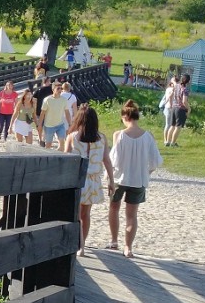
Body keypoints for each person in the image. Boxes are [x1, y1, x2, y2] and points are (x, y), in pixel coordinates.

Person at [107, 100, 163, 258]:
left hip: (119, 178)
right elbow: (155, 161)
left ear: (125, 117)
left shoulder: (119, 135)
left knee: (114, 209)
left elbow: (114, 160)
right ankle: (128, 247)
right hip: (139, 180)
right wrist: (147, 172)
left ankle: (113, 240)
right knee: (132, 215)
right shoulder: (148, 136)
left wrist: (109, 177)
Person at [64, 105, 113, 256]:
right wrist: (111, 180)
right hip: (93, 181)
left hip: (77, 180)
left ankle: (80, 245)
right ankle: (82, 244)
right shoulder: (101, 138)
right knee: (86, 214)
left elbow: (65, 158)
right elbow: (107, 161)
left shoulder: (72, 137)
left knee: (76, 215)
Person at [38, 82, 71, 151]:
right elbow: (42, 113)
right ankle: (47, 158)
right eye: (58, 88)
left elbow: (67, 112)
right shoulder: (47, 100)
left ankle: (57, 156)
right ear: (53, 90)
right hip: (49, 126)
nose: (60, 90)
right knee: (48, 146)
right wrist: (40, 125)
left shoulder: (64, 100)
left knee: (62, 143)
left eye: (61, 88)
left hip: (60, 125)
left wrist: (70, 123)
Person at [164, 73, 190, 147]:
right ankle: (173, 143)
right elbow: (184, 101)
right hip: (181, 109)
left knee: (172, 126)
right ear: (188, 81)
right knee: (178, 127)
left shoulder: (176, 86)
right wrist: (189, 108)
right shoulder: (185, 89)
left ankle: (167, 142)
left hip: (174, 108)